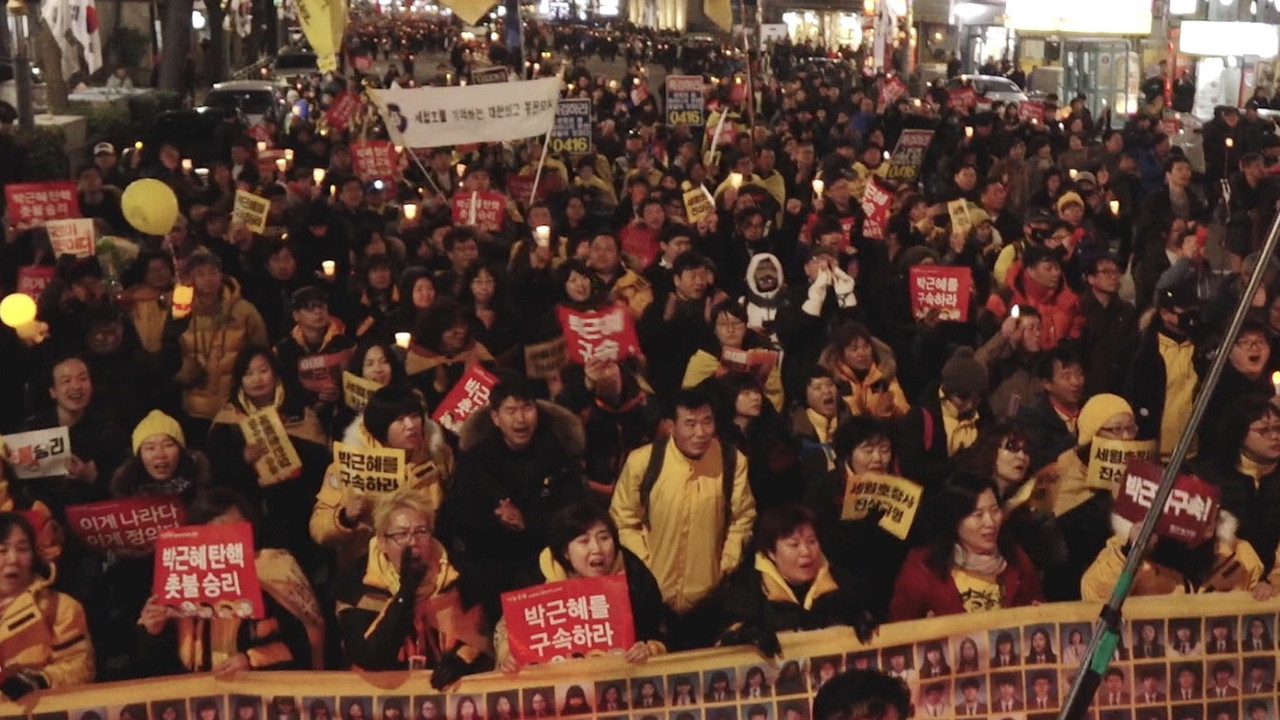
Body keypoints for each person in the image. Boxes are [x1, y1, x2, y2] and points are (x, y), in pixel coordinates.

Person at [610, 389, 757, 649]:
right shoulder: (644, 462)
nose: (700, 433)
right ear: (671, 426)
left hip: (708, 600)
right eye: (690, 424)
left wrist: (727, 561)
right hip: (653, 600)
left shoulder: (732, 461)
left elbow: (742, 518)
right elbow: (623, 520)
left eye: (707, 422)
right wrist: (646, 567)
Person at [136, 488, 325, 673]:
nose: (224, 541)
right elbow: (150, 665)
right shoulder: (177, 580)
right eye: (213, 533)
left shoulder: (273, 569)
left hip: (260, 693)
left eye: (235, 530)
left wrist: (251, 659)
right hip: (195, 696)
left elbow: (302, 645)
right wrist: (153, 632)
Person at [333, 490, 491, 683]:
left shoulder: (460, 576)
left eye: (421, 532)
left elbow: (481, 639)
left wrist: (460, 660)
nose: (413, 542)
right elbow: (368, 656)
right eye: (401, 534)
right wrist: (405, 594)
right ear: (382, 542)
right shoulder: (355, 582)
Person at [494, 503, 665, 671]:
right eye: (584, 541)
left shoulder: (634, 574)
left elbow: (659, 630)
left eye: (604, 538)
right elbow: (506, 628)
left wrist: (650, 649)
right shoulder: (535, 575)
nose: (596, 549)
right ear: (566, 552)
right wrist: (507, 654)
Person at [310, 386, 453, 570]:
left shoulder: (438, 456)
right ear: (380, 427)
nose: (411, 425)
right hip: (365, 567)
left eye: (414, 416)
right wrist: (345, 518)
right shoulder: (350, 465)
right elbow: (318, 530)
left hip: (425, 564)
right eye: (400, 420)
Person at [718, 504, 877, 656]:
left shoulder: (841, 582)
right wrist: (742, 635)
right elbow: (726, 641)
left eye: (811, 541)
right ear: (771, 553)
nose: (805, 551)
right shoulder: (748, 589)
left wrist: (860, 617)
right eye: (794, 545)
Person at [888, 474, 1043, 620]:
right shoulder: (924, 567)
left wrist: (1041, 615)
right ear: (955, 520)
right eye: (978, 515)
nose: (990, 523)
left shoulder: (1015, 558)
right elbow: (899, 630)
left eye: (994, 511)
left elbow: (1040, 606)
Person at [0, 512, 94, 697]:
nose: (13, 559)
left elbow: (81, 669)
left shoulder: (60, 607)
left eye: (23, 548)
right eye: (2, 551)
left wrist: (39, 679)